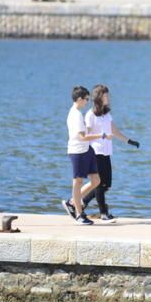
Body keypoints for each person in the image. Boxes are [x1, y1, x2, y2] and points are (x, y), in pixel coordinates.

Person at [80, 84, 140, 221]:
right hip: (95, 152)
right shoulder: (90, 115)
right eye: (106, 95)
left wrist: (129, 141)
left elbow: (114, 131)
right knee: (100, 183)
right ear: (98, 97)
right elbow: (85, 136)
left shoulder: (106, 114)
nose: (108, 97)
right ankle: (103, 213)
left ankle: (83, 202)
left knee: (106, 184)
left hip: (106, 152)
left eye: (108, 95)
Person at [62, 85, 105, 226]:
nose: (87, 102)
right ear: (79, 99)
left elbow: (84, 134)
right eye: (86, 99)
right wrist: (101, 135)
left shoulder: (77, 113)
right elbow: (82, 137)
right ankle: (79, 214)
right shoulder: (76, 115)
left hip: (87, 150)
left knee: (96, 180)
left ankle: (72, 202)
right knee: (78, 181)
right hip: (78, 151)